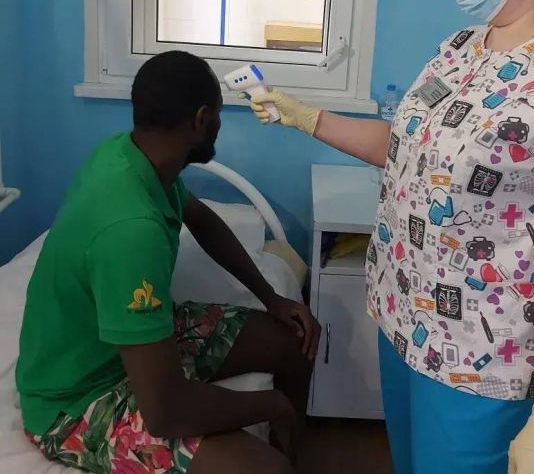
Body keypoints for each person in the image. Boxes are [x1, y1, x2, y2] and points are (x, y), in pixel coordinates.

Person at [248, 0, 534, 474]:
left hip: (485, 356)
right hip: (405, 320)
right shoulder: (462, 48)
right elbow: (407, 147)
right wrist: (305, 117)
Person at [16, 51, 320, 474]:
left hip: (124, 345)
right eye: (217, 114)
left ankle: (291, 450)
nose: (218, 123)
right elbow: (165, 413)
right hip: (78, 398)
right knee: (266, 469)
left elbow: (200, 219)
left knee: (294, 341)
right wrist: (271, 404)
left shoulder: (132, 155)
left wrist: (272, 298)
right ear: (200, 120)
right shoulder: (131, 230)